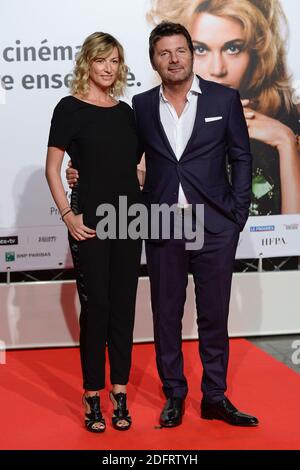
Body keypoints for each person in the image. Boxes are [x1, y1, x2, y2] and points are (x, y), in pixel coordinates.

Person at [67, 22, 259, 428]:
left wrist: (237, 214)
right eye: (164, 53)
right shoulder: (140, 105)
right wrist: (80, 171)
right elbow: (122, 160)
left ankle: (215, 396)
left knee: (213, 314)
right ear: (154, 60)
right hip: (161, 222)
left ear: (192, 54)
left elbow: (242, 158)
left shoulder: (223, 100)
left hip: (214, 225)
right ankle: (174, 394)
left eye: (180, 51)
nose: (174, 59)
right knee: (165, 314)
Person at [46, 32, 142, 433]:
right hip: (89, 221)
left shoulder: (125, 113)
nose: (108, 68)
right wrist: (67, 213)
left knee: (123, 307)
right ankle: (92, 394)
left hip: (130, 218)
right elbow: (53, 168)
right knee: (97, 307)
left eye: (115, 61)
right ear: (88, 61)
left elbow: (136, 167)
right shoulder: (68, 108)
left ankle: (119, 391)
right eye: (102, 59)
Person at [148, 0, 300, 216]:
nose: (217, 69)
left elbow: (292, 236)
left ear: (256, 54)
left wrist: (284, 139)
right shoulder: (158, 117)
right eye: (200, 49)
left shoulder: (287, 120)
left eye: (232, 48)